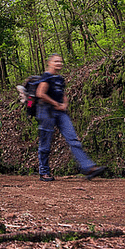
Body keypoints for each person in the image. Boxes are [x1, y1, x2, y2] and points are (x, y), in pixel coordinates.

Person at [36, 54, 106, 182]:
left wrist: (64, 104)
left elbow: (62, 94)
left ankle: (88, 168)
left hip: (60, 113)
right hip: (46, 112)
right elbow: (40, 93)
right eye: (56, 61)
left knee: (73, 138)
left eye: (60, 61)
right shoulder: (46, 76)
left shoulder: (60, 79)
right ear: (50, 63)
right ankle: (44, 172)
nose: (59, 63)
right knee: (45, 143)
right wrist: (55, 104)